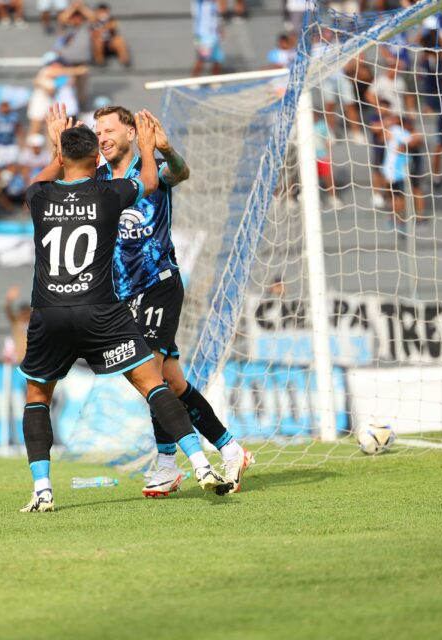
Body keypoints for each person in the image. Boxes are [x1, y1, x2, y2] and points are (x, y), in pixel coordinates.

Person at [16, 112, 232, 513]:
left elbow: (39, 180)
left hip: (50, 312)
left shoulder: (39, 198)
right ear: (97, 157)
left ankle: (43, 489)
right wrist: (150, 150)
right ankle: (202, 465)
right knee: (154, 381)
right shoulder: (107, 194)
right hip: (101, 310)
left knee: (37, 396)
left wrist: (55, 147)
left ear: (62, 158)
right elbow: (150, 181)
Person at [85, 104, 251, 495]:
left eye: (109, 130)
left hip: (159, 284)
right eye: (97, 133)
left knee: (150, 373)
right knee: (172, 383)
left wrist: (168, 148)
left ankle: (165, 465)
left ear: (130, 133)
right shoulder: (99, 178)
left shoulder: (153, 166)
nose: (103, 138)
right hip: (124, 294)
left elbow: (180, 172)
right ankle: (230, 448)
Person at [91, 3, 130, 67]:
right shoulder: (93, 22)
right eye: (100, 12)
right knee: (98, 41)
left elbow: (113, 27)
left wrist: (105, 25)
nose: (102, 14)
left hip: (110, 43)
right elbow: (94, 34)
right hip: (99, 44)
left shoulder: (111, 21)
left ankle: (124, 59)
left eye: (104, 12)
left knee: (119, 40)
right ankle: (99, 60)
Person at [192, 0, 223, 77]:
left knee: (217, 59)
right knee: (201, 59)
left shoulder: (215, 4)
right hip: (202, 35)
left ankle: (215, 80)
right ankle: (194, 80)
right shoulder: (200, 3)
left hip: (214, 35)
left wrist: (220, 29)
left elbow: (217, 17)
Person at [4, 285, 32, 364]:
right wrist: (9, 300)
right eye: (23, 311)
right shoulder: (16, 322)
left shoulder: (35, 322)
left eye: (27, 311)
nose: (25, 314)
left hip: (34, 358)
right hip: (20, 359)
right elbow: (8, 311)